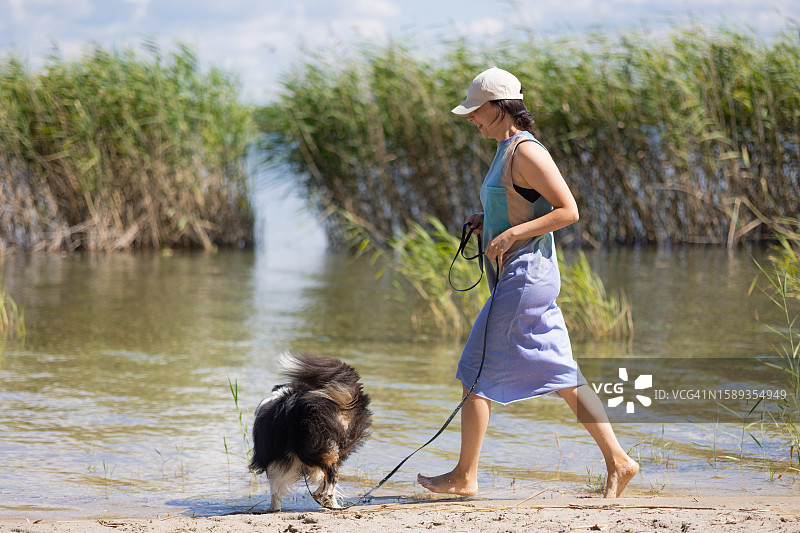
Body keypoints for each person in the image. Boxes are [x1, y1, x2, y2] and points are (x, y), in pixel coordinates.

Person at [417, 67, 639, 498]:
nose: (470, 119)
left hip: (526, 276)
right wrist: (488, 221)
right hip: (522, 275)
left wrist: (512, 234)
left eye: (475, 111)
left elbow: (568, 210)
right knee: (563, 374)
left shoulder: (526, 151)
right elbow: (522, 205)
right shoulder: (504, 149)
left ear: (500, 108)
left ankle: (465, 477)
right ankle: (619, 461)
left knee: (473, 369)